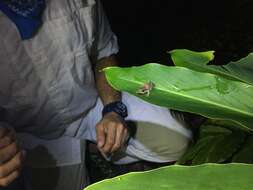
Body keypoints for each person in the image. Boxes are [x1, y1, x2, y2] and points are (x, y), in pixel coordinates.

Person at [0, 0, 192, 189]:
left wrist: (113, 110)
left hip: (92, 104)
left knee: (178, 139)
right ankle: (91, 151)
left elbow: (103, 54)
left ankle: (100, 146)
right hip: (31, 133)